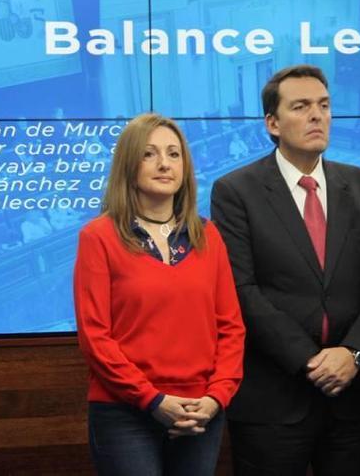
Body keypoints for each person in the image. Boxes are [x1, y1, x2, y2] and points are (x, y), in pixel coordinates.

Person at [211, 64, 360, 475]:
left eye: (324, 105)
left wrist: (354, 354)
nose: (317, 115)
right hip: (274, 398)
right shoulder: (235, 191)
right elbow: (242, 289)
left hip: (355, 395)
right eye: (302, 106)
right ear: (272, 123)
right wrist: (311, 360)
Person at [73, 113, 245, 475]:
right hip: (125, 412)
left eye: (174, 153)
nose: (165, 163)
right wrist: (153, 400)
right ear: (127, 164)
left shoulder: (207, 235)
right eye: (149, 154)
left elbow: (231, 328)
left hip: (200, 409)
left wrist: (216, 397)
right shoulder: (98, 237)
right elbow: (95, 337)